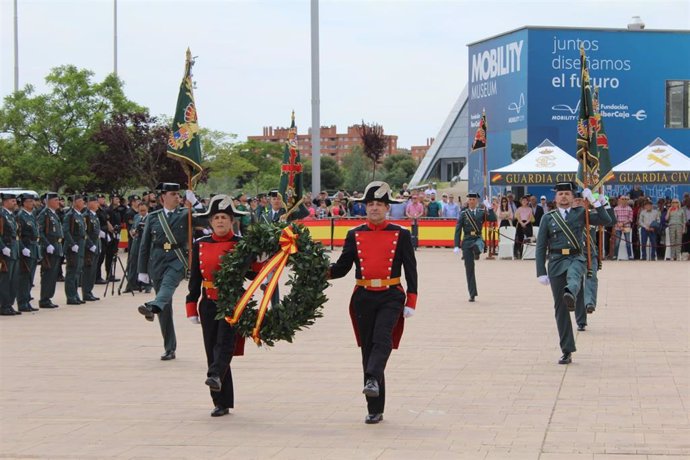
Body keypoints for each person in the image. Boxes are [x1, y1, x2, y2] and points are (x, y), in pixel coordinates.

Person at [328, 181, 418, 425]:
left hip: (391, 294)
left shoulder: (401, 234)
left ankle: (371, 379)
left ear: (387, 208)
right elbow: (341, 268)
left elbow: (411, 270)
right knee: (368, 349)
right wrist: (316, 269)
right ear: (364, 208)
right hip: (363, 296)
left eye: (379, 204)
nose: (375, 208)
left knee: (382, 339)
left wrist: (411, 300)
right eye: (371, 204)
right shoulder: (354, 234)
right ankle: (374, 407)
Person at [185, 195, 251, 417]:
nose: (220, 221)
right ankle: (221, 402)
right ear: (210, 222)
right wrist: (191, 306)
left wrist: (262, 262)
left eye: (224, 217)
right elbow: (195, 279)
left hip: (232, 301)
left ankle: (214, 374)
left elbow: (252, 272)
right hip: (208, 303)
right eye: (216, 218)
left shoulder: (241, 244)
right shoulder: (200, 244)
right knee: (211, 348)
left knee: (224, 344)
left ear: (232, 220)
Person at [535, 183, 612, 365]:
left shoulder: (581, 213)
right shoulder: (548, 218)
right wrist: (540, 271)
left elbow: (606, 220)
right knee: (560, 309)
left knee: (574, 277)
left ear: (572, 197)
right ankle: (567, 349)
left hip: (576, 257)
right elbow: (540, 246)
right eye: (560, 194)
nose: (563, 197)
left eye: (567, 194)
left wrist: (594, 201)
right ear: (555, 198)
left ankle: (571, 294)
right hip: (555, 262)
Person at [137, 183, 203, 360]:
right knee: (165, 307)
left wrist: (195, 203)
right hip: (158, 260)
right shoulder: (153, 217)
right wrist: (142, 270)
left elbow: (206, 220)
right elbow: (144, 246)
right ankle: (169, 347)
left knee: (168, 284)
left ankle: (153, 306)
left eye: (179, 194)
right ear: (162, 198)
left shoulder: (186, 214)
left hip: (179, 258)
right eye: (173, 194)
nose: (177, 197)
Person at [453, 193, 496, 302]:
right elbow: (458, 230)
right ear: (468, 201)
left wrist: (489, 207)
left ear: (477, 201)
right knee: (469, 269)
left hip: (477, 239)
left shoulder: (481, 212)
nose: (471, 201)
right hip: (467, 240)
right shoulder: (463, 214)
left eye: (473, 199)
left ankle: (478, 251)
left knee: (478, 246)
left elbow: (493, 218)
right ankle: (472, 293)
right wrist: (456, 245)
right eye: (470, 199)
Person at [37, 192, 63, 309]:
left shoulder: (54, 214)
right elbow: (40, 231)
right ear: (49, 201)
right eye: (56, 200)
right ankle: (44, 299)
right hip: (49, 248)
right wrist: (47, 244)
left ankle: (48, 297)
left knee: (53, 275)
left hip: (56, 247)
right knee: (48, 274)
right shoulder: (45, 214)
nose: (58, 202)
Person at [16, 193, 40, 312]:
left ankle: (27, 300)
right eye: (30, 201)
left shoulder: (31, 215)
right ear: (24, 203)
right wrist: (22, 248)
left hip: (33, 247)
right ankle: (22, 302)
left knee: (30, 277)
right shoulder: (21, 216)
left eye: (33, 201)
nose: (33, 203)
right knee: (24, 277)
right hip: (26, 247)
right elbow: (18, 235)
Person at [62, 194, 87, 305]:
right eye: (81, 201)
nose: (83, 203)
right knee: (72, 272)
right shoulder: (70, 215)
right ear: (75, 202)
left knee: (77, 272)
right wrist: (72, 244)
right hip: (73, 247)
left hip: (80, 246)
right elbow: (66, 231)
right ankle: (71, 296)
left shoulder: (80, 215)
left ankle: (75, 295)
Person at [0, 192, 20, 316]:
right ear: (5, 202)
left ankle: (9, 304)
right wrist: (3, 248)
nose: (15, 203)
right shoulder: (1, 215)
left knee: (13, 280)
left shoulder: (11, 215)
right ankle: (3, 305)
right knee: (5, 280)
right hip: (6, 251)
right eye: (12, 201)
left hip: (14, 250)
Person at [81, 196, 103, 302]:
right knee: (88, 271)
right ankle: (86, 292)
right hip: (89, 248)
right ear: (89, 204)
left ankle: (89, 291)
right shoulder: (86, 216)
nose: (97, 204)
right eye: (95, 202)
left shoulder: (95, 216)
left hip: (96, 246)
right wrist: (90, 245)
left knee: (93, 271)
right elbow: (85, 233)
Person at [613, 196, 633, 260]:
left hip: (626, 226)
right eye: (623, 199)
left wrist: (623, 224)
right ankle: (615, 256)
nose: (624, 200)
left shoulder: (629, 209)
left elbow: (630, 219)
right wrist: (619, 224)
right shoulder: (616, 208)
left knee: (628, 241)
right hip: (618, 226)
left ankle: (630, 256)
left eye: (626, 199)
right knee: (617, 242)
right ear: (620, 200)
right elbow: (614, 218)